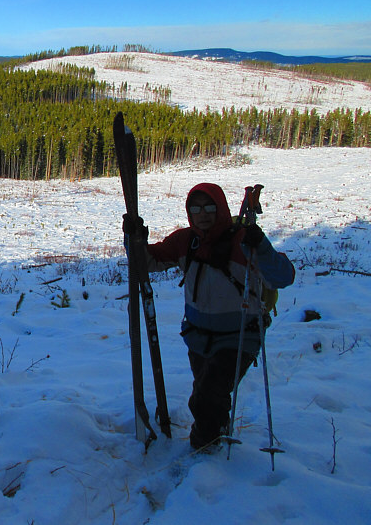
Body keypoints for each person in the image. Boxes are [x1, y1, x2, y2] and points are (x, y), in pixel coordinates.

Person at [126, 183, 295, 451]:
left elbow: (283, 277)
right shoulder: (185, 241)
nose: (202, 214)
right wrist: (135, 240)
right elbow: (147, 263)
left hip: (239, 337)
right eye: (196, 208)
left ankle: (204, 451)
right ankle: (217, 431)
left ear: (221, 207)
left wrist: (261, 247)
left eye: (209, 207)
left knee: (206, 397)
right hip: (198, 337)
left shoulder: (244, 241)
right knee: (210, 391)